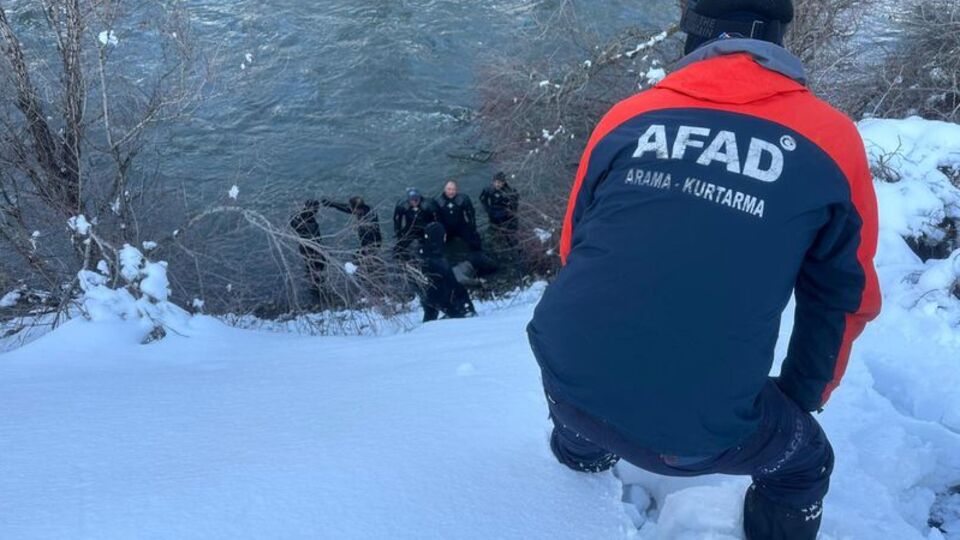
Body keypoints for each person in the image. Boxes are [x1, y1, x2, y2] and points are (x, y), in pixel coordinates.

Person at [526, 2, 881, 539]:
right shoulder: (830, 138)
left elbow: (574, 246)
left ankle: (581, 451)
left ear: (692, 33)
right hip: (699, 435)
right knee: (805, 462)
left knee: (589, 395)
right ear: (779, 37)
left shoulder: (628, 115)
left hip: (564, 376)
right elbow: (841, 297)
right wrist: (800, 400)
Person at [418, 222, 476, 322]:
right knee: (457, 286)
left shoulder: (424, 252)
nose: (445, 236)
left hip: (426, 296)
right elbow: (452, 281)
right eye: (443, 234)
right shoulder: (437, 257)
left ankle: (429, 321)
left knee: (430, 318)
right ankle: (464, 310)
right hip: (440, 297)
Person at [289, 199, 328, 289]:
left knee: (310, 264)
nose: (317, 210)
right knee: (317, 264)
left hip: (304, 246)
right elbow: (314, 236)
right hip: (311, 246)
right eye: (316, 208)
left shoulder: (298, 218)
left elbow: (292, 221)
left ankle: (313, 281)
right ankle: (316, 283)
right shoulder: (310, 221)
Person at [435, 180, 482, 252]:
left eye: (453, 189)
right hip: (446, 228)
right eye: (449, 189)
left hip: (461, 225)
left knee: (475, 243)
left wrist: (472, 227)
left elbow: (471, 214)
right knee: (439, 246)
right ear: (445, 189)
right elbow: (436, 218)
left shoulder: (463, 199)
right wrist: (440, 231)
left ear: (457, 190)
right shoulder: (438, 201)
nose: (451, 192)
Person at [393, 188, 439, 260]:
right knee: (398, 248)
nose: (414, 202)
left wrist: (434, 233)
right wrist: (398, 232)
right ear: (408, 200)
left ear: (419, 198)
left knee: (431, 248)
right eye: (412, 200)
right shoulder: (402, 205)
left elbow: (436, 219)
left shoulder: (428, 205)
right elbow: (397, 219)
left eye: (416, 199)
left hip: (425, 228)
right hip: (410, 228)